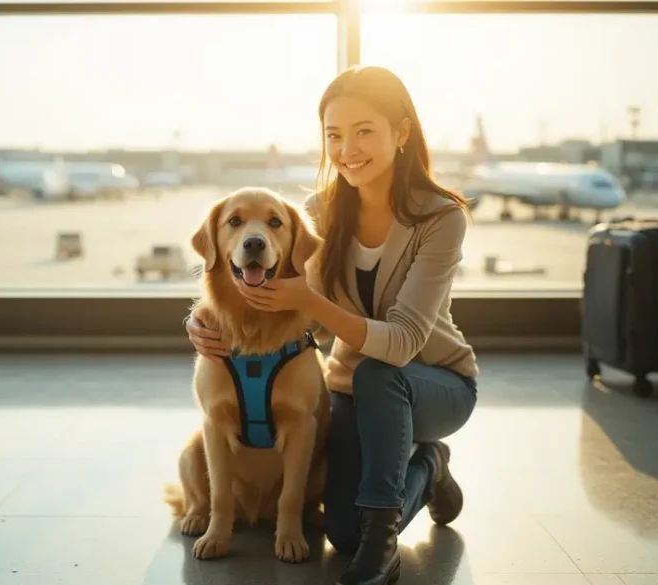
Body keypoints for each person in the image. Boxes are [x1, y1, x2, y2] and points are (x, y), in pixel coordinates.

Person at [185, 64, 479, 585]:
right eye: (334, 135)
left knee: (379, 374)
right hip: (351, 390)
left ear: (402, 132)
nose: (348, 149)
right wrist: (209, 323)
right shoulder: (319, 212)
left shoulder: (441, 217)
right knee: (341, 529)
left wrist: (309, 304)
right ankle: (424, 473)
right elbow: (305, 324)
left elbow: (405, 341)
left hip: (434, 383)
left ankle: (412, 491)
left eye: (365, 131)